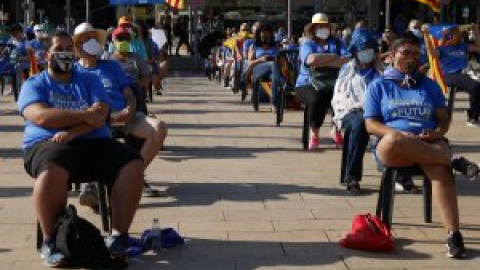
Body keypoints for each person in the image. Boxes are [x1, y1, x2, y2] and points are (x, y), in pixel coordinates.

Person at [17, 31, 144, 267]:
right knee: (53, 169)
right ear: (47, 54)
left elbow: (101, 115)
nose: (64, 53)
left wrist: (74, 126)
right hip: (48, 143)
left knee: (132, 162)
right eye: (58, 48)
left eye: (68, 48)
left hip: (93, 142)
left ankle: (119, 236)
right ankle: (50, 241)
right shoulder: (34, 84)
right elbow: (41, 117)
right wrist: (85, 115)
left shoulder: (89, 80)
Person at [363, 35, 468, 259]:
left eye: (415, 54)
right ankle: (454, 160)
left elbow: (443, 119)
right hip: (393, 147)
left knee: (440, 171)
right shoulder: (379, 85)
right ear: (391, 56)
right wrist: (397, 133)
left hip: (428, 144)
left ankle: (453, 235)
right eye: (405, 53)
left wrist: (437, 133)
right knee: (395, 140)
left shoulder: (428, 85)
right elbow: (370, 125)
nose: (410, 58)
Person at [75, 23, 168, 198]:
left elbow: (129, 93)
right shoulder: (74, 71)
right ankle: (95, 184)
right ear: (78, 44)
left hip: (124, 117)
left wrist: (130, 110)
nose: (93, 42)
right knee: (95, 135)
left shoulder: (112, 65)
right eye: (87, 39)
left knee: (159, 128)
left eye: (95, 38)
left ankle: (132, 174)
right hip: (95, 121)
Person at [331, 28, 382, 194]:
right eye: (362, 50)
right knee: (359, 125)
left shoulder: (383, 72)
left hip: (379, 113)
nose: (366, 53)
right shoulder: (347, 70)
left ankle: (402, 175)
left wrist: (382, 69)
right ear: (355, 52)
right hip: (352, 112)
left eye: (370, 50)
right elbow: (340, 98)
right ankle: (352, 177)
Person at [295, 13, 350, 150]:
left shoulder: (337, 42)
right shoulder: (307, 43)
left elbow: (346, 59)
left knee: (343, 97)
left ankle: (336, 130)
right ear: (313, 28)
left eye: (325, 26)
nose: (322, 28)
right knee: (316, 98)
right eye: (319, 26)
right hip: (307, 83)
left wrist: (323, 62)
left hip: (334, 82)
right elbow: (310, 60)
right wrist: (334, 57)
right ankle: (314, 133)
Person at [435, 24, 480, 126]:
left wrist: (476, 33)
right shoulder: (442, 48)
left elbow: (478, 48)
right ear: (448, 36)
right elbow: (432, 53)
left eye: (458, 34)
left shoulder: (463, 46)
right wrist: (441, 37)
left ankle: (474, 115)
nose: (458, 36)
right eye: (455, 35)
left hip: (465, 73)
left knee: (476, 85)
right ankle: (473, 118)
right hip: (450, 75)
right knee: (475, 86)